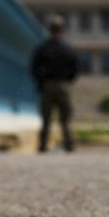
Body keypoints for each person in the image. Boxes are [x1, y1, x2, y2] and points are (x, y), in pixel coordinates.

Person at [31, 14, 79, 152]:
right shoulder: (67, 49)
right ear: (62, 30)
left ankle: (43, 146)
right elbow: (75, 69)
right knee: (65, 119)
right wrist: (68, 82)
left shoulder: (42, 49)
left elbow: (34, 68)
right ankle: (69, 145)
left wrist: (41, 83)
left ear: (49, 29)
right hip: (62, 86)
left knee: (46, 119)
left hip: (47, 86)